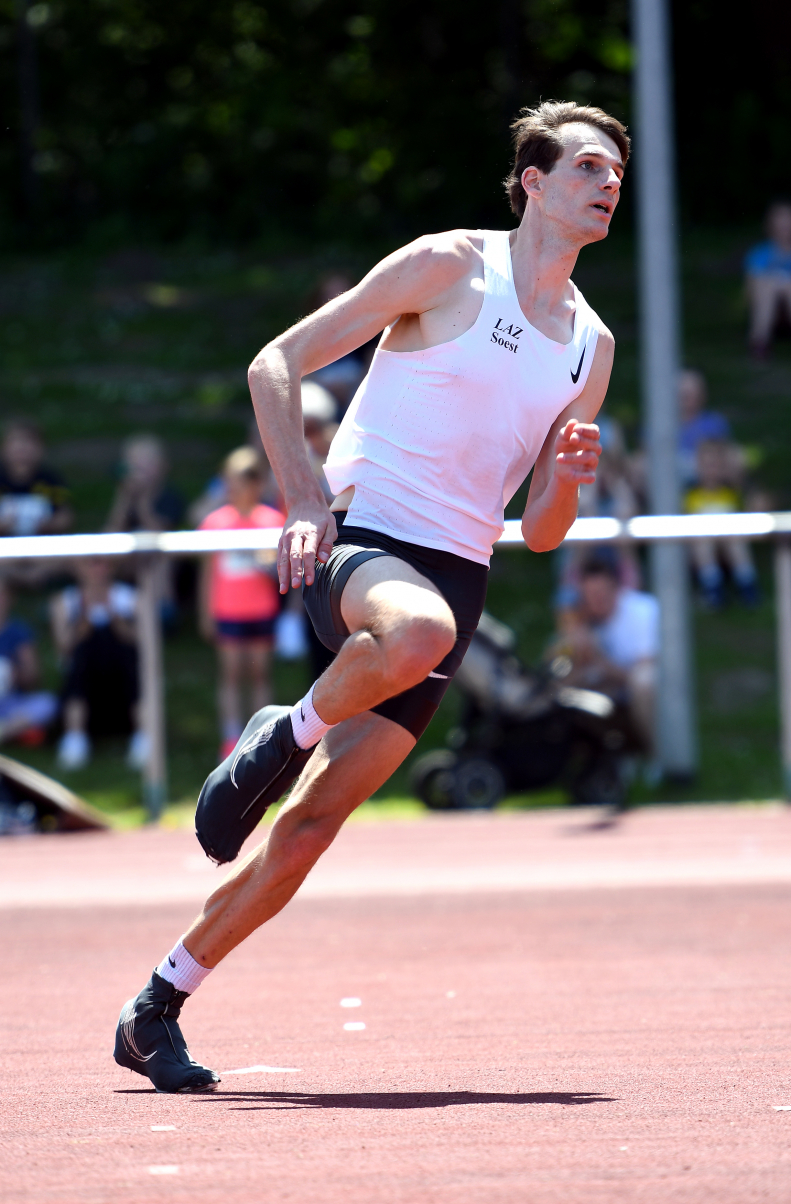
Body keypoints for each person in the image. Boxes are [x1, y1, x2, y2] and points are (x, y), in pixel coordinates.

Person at [114, 99, 628, 1093]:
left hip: (457, 573)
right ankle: (283, 728)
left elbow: (545, 531)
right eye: (585, 167)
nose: (607, 184)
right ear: (532, 181)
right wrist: (301, 496)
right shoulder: (447, 265)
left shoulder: (588, 347)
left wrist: (568, 476)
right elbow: (275, 362)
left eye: (615, 174)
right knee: (416, 631)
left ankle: (156, 1005)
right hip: (361, 541)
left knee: (306, 832)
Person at [198, 448, 285, 759]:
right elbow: (208, 571)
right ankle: (231, 738)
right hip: (227, 609)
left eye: (240, 483)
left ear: (256, 484)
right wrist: (206, 611)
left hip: (261, 609)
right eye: (230, 483)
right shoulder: (215, 522)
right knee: (232, 673)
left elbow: (278, 567)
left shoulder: (272, 520)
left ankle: (264, 735)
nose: (234, 490)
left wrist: (265, 563)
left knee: (260, 672)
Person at [551, 558, 658, 754]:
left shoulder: (642, 610)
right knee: (560, 683)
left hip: (643, 689)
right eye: (590, 595)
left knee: (643, 680)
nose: (597, 601)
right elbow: (552, 665)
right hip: (610, 686)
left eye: (602, 593)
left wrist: (599, 662)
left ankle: (657, 753)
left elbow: (643, 676)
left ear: (616, 588)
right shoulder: (582, 617)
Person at [50, 558, 142, 770]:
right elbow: (63, 649)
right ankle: (75, 739)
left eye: (103, 564)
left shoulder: (131, 598)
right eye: (91, 564)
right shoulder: (64, 602)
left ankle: (142, 738)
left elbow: (144, 646)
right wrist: (84, 621)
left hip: (121, 688)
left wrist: (115, 618)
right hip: (83, 688)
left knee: (125, 656)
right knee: (83, 653)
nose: (97, 571)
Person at [685, 439, 759, 608]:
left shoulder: (731, 493)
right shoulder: (691, 494)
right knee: (702, 539)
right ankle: (713, 587)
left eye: (716, 465)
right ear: (698, 467)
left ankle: (747, 583)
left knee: (736, 538)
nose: (711, 470)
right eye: (707, 465)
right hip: (701, 545)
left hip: (729, 542)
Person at [0, 577, 57, 745]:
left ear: (10, 598)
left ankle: (5, 731)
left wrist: (13, 673)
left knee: (47, 703)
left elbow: (33, 678)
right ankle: (16, 733)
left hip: (10, 702)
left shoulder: (19, 632)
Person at [745, 201, 791, 360]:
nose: (784, 224)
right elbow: (751, 287)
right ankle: (760, 341)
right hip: (767, 308)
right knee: (767, 284)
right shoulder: (760, 253)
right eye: (779, 219)